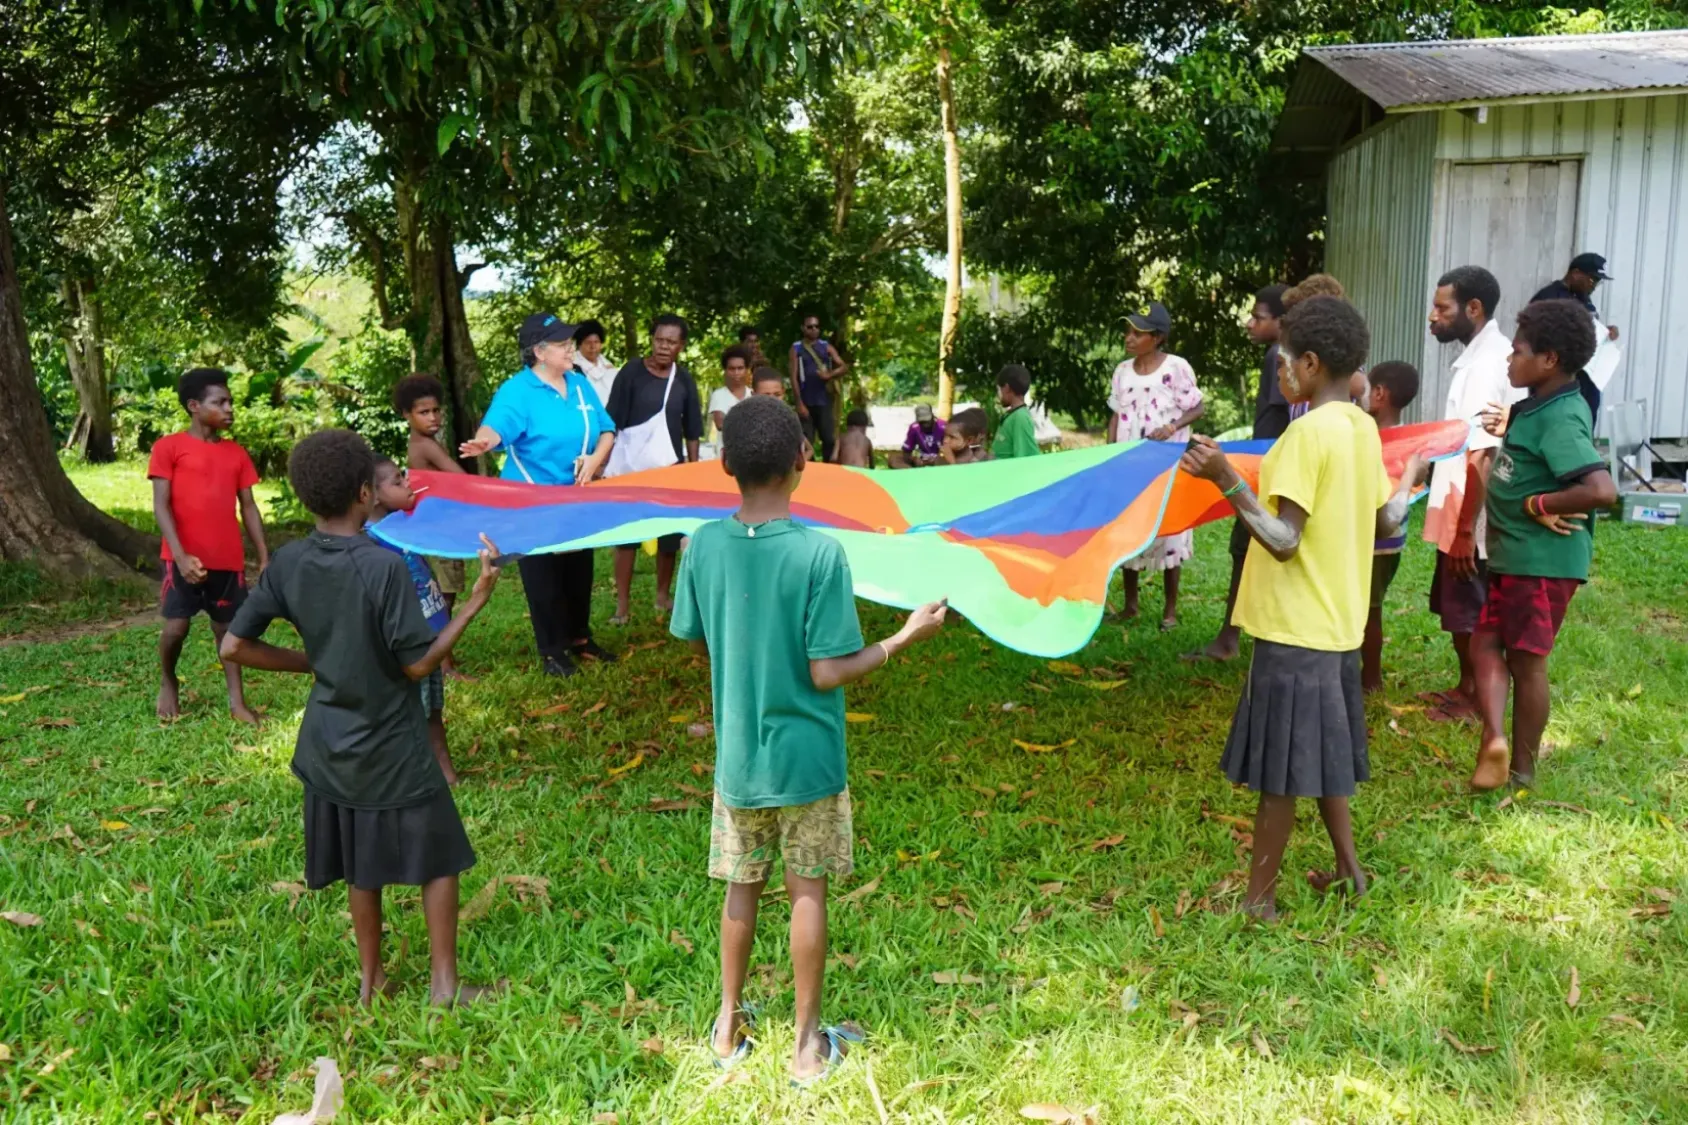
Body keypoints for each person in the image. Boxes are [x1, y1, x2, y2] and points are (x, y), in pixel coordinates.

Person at [669, 394, 948, 1082]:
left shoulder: (701, 545)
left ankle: (727, 1026)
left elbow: (696, 637)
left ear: (725, 464)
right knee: (806, 890)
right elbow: (827, 670)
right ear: (803, 461)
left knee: (740, 886)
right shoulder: (822, 554)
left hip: (740, 759)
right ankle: (803, 1047)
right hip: (810, 762)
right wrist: (904, 636)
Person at [219, 429, 502, 1007]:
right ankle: (444, 987)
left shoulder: (291, 560)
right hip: (390, 739)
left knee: (360, 863)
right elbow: (418, 665)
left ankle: (370, 984)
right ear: (362, 494)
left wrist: (319, 664)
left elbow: (234, 648)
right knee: (442, 857)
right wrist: (473, 602)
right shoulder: (382, 566)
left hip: (328, 742)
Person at [1179, 297, 1426, 920]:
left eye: (1284, 361)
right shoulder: (1361, 428)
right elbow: (1384, 519)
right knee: (1325, 757)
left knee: (1282, 777)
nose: (1280, 370)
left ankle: (1258, 901)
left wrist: (1224, 477)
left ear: (1310, 365)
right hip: (1339, 627)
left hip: (1295, 635)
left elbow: (1284, 541)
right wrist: (1409, 484)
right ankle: (1350, 870)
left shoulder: (1301, 437)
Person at [1470, 300, 1616, 791]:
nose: (1509, 361)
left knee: (1526, 661)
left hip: (1542, 564)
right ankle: (1493, 737)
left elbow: (1601, 490)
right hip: (1516, 557)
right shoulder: (1541, 406)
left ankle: (1523, 771)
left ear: (1549, 359)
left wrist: (1537, 505)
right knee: (1485, 642)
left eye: (1517, 352)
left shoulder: (1563, 416)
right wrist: (1508, 424)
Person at [459, 312, 617, 677]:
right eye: (563, 345)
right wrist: (485, 441)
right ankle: (552, 651)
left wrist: (595, 460)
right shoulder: (518, 390)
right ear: (539, 352)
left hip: (576, 498)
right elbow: (496, 425)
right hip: (532, 502)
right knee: (544, 574)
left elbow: (607, 430)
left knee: (579, 569)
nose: (571, 349)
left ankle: (580, 638)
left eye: (569, 343)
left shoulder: (578, 385)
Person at [1423, 266, 1525, 722]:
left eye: (1442, 308)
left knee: (1469, 612)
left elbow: (1481, 454)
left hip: (1473, 517)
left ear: (1474, 308)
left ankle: (1476, 701)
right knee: (1459, 609)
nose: (1433, 316)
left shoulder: (1486, 367)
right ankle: (1466, 686)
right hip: (1460, 510)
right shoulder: (1480, 358)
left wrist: (1465, 529)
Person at [148, 367, 268, 723]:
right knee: (176, 628)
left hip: (227, 560)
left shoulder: (237, 453)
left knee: (228, 632)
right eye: (221, 402)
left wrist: (263, 556)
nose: (230, 408)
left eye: (230, 401)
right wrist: (181, 556)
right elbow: (161, 505)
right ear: (194, 406)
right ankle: (169, 681)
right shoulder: (168, 447)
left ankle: (237, 703)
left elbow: (248, 506)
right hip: (181, 558)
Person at [1193, 284, 1288, 662]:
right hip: (1265, 467)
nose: (1250, 324)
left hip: (1265, 472)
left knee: (1245, 547)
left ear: (1282, 322)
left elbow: (1280, 419)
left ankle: (1229, 639)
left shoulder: (1278, 356)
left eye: (1258, 317)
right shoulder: (1281, 355)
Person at [1108, 301, 1204, 630]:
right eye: (1129, 332)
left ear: (1158, 338)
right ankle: (1131, 605)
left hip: (1166, 464)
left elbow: (1197, 408)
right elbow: (1114, 415)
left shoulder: (1176, 368)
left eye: (1138, 333)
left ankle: (1170, 610)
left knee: (1169, 528)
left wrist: (1173, 427)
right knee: (1129, 527)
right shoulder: (1122, 371)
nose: (1129, 338)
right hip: (1129, 465)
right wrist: (1110, 455)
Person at [606, 313, 704, 623]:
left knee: (669, 538)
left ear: (681, 346)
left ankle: (662, 596)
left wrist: (691, 470)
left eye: (671, 342)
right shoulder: (631, 372)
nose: (664, 347)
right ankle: (622, 605)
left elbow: (692, 430)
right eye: (659, 340)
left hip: (670, 471)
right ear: (652, 340)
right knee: (627, 538)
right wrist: (602, 463)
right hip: (630, 471)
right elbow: (611, 423)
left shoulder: (684, 379)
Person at [368, 459, 459, 785]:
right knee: (407, 712)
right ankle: (405, 777)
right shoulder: (370, 541)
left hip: (427, 637)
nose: (408, 485)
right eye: (397, 481)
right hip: (403, 645)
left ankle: (446, 772)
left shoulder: (402, 523)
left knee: (433, 708)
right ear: (373, 495)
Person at [393, 373, 469, 678]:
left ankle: (443, 658)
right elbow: (460, 478)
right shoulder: (426, 445)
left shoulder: (422, 442)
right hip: (438, 531)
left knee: (440, 595)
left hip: (433, 527)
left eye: (436, 410)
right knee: (443, 598)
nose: (433, 417)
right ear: (406, 415)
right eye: (424, 412)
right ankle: (444, 664)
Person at [1359, 361, 1420, 693]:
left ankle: (1371, 680)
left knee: (1369, 611)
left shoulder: (1371, 440)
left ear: (1379, 394)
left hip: (1373, 541)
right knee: (1371, 607)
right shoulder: (1410, 440)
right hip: (1392, 542)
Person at [1529, 253, 1613, 422]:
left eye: (1598, 281)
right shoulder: (1550, 297)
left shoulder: (1583, 298)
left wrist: (1607, 331)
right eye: (1592, 280)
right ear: (1575, 273)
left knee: (1585, 422)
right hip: (1560, 380)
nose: (1595, 285)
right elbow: (1534, 336)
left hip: (1586, 377)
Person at [789, 315, 848, 462]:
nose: (814, 329)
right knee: (806, 441)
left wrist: (830, 374)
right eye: (810, 327)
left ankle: (827, 470)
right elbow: (793, 377)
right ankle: (810, 471)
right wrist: (799, 403)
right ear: (803, 328)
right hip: (805, 401)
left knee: (828, 438)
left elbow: (843, 366)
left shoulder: (826, 346)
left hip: (824, 400)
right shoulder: (796, 348)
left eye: (816, 326)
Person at [992, 364, 1041, 459]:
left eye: (998, 389)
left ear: (1006, 388)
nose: (998, 394)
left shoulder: (1020, 418)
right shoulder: (1010, 415)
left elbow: (1023, 458)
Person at [709, 344, 753, 440]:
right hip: (727, 452)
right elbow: (720, 424)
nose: (736, 373)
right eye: (732, 369)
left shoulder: (753, 394)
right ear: (725, 370)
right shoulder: (718, 395)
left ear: (746, 370)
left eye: (740, 368)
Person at [572, 319, 620, 407]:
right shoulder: (572, 368)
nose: (593, 347)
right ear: (579, 344)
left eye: (596, 342)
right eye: (588, 343)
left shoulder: (609, 367)